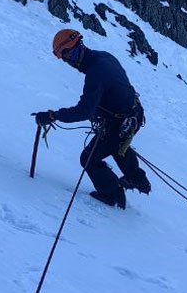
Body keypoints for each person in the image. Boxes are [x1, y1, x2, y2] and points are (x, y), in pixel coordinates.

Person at [34, 29, 151, 208]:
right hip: (132, 115)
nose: (69, 60)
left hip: (120, 122)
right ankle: (137, 179)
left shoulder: (96, 73)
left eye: (69, 54)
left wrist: (53, 116)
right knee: (117, 146)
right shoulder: (104, 57)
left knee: (88, 158)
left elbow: (84, 111)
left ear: (78, 47)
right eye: (65, 57)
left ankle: (112, 194)